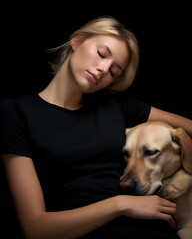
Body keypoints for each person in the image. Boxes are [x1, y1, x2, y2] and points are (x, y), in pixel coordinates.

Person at [0, 16, 191, 239]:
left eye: (114, 71)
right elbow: (35, 227)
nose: (103, 69)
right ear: (78, 41)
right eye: (102, 53)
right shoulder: (16, 111)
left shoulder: (118, 105)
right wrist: (120, 204)